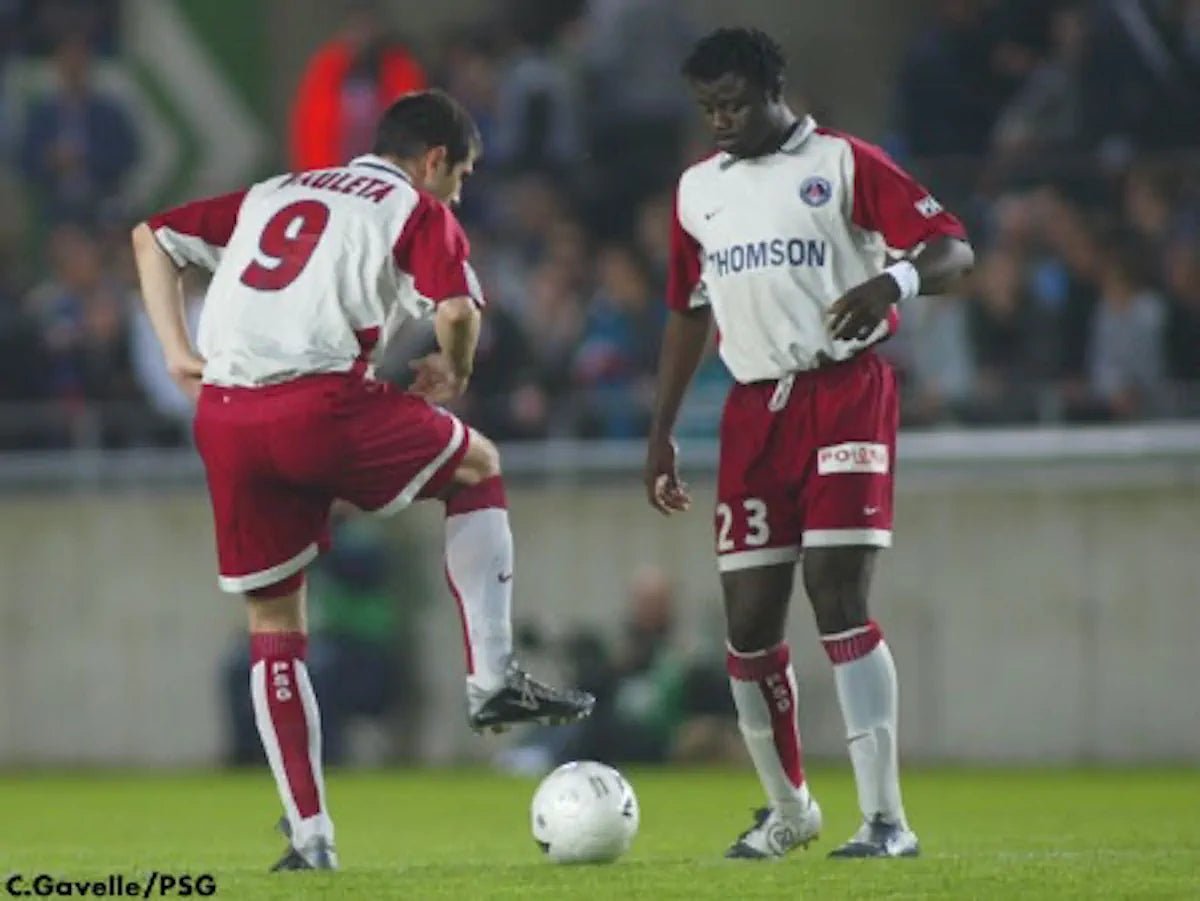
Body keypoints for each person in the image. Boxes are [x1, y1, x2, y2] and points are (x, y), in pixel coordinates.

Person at [129, 89, 594, 872]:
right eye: (463, 175)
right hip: (319, 404)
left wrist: (178, 351)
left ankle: (310, 837)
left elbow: (153, 235)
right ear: (437, 157)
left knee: (274, 627)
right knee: (478, 463)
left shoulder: (276, 191)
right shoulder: (414, 206)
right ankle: (491, 677)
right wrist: (456, 367)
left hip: (228, 417)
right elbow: (456, 310)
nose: (459, 192)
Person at [644, 29, 974, 860]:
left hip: (845, 393)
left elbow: (954, 249)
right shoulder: (697, 193)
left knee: (836, 590)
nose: (721, 119)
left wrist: (890, 279)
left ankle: (886, 820)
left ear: (773, 91)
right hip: (753, 411)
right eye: (708, 107)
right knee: (748, 623)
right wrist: (662, 431)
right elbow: (689, 308)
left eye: (735, 104)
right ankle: (790, 808)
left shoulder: (845, 162)